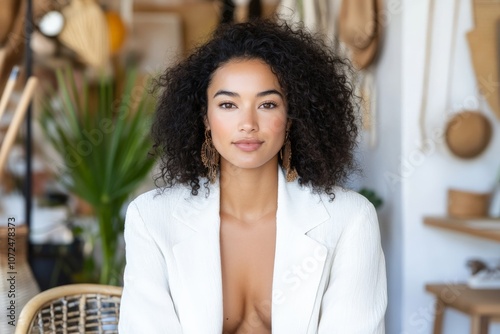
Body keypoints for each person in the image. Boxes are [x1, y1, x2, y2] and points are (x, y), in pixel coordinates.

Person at [118, 19, 387, 334]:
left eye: (268, 104)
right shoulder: (151, 218)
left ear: (290, 118)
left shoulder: (350, 219)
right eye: (228, 104)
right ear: (205, 117)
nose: (248, 123)